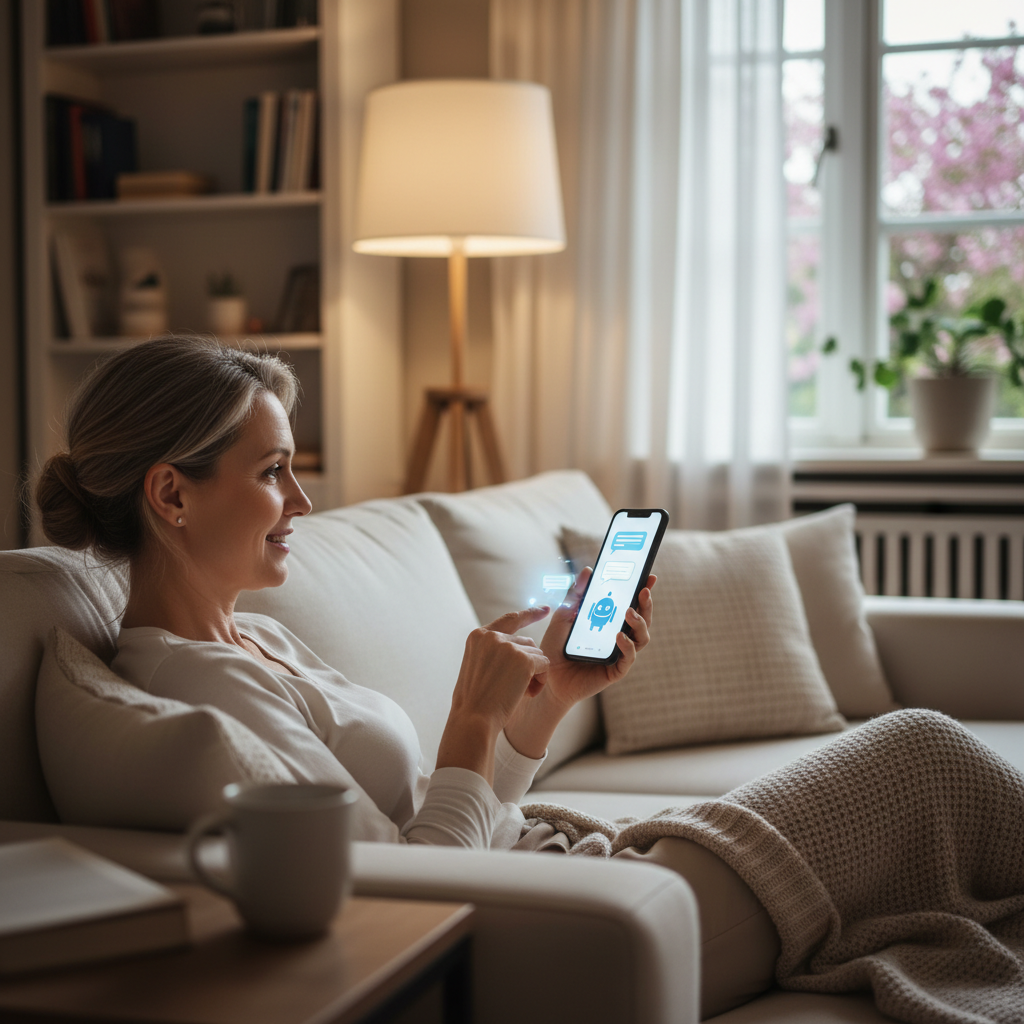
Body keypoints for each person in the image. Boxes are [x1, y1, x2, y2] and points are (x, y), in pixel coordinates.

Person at [46, 337, 1022, 1022]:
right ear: (171, 493)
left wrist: (544, 701)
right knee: (918, 748)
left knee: (925, 770)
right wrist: (468, 722)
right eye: (272, 473)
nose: (303, 499)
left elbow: (448, 821)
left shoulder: (260, 640)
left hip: (568, 869)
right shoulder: (203, 690)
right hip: (574, 915)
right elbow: (410, 895)